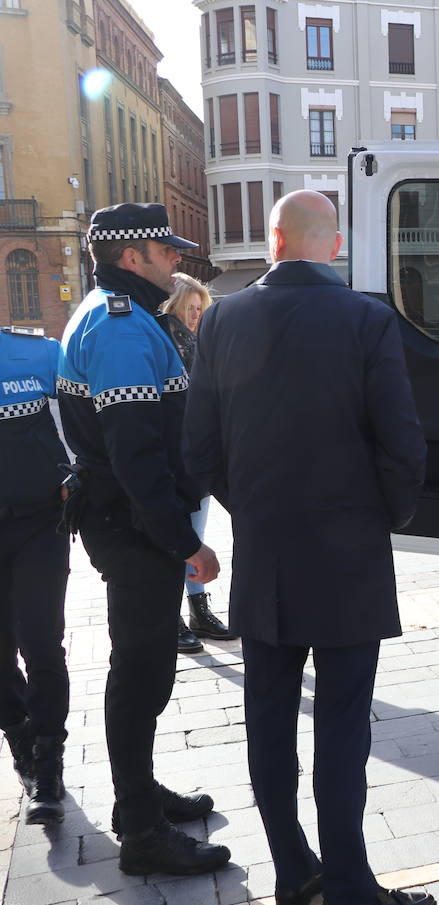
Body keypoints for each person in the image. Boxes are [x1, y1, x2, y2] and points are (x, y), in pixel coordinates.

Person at [183, 191, 430, 905]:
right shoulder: (367, 319)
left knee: (267, 717)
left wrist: (253, 508)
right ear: (335, 243)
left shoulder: (222, 318)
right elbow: (404, 445)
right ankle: (350, 888)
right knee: (344, 724)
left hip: (267, 554)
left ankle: (295, 874)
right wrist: (380, 514)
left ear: (273, 242)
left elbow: (199, 449)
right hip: (349, 555)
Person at [57, 203, 231, 875]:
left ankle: (139, 799)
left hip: (127, 525)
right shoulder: (122, 327)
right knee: (141, 671)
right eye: (165, 251)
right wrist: (186, 545)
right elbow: (136, 455)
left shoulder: (121, 315)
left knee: (146, 668)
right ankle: (141, 833)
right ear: (133, 258)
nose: (176, 260)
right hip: (133, 530)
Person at [0, 324, 72, 825]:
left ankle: (48, 766)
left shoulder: (40, 353)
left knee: (41, 642)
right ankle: (19, 735)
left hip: (38, 524)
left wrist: (79, 473)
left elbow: (79, 422)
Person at [158, 273, 232, 651]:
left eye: (201, 309)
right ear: (173, 308)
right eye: (190, 308)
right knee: (176, 537)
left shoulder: (203, 342)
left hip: (196, 460)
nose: (196, 316)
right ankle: (171, 616)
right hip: (172, 459)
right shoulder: (163, 341)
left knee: (196, 536)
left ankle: (198, 611)